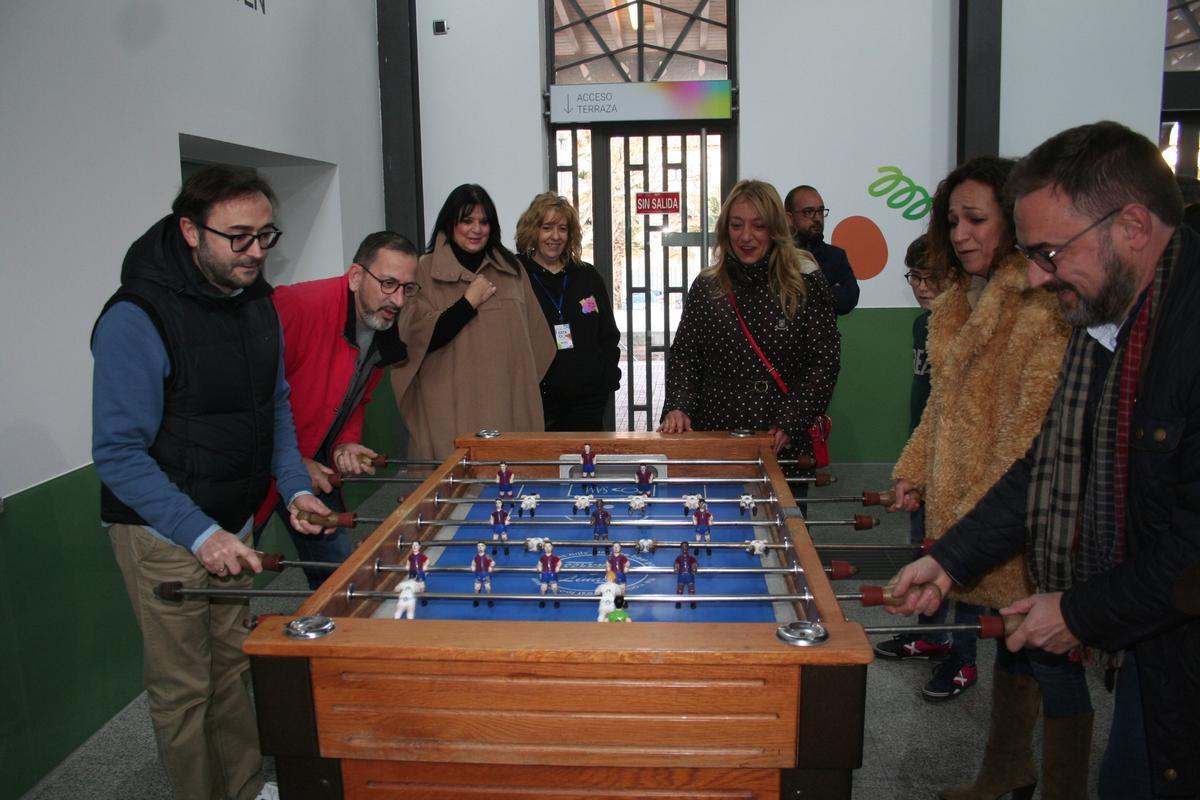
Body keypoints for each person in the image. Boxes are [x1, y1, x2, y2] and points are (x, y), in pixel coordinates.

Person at [889, 121, 1200, 800]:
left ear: (1134, 227)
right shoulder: (1104, 313)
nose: (1034, 275)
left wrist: (1081, 612)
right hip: (1159, 653)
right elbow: (1048, 465)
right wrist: (949, 559)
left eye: (1051, 252)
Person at [91, 164, 333, 800]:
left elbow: (274, 408)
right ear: (190, 231)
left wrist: (295, 488)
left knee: (231, 670)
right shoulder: (135, 317)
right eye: (239, 237)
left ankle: (248, 788)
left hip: (232, 522)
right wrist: (200, 534)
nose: (256, 251)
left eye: (265, 235)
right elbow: (118, 454)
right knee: (184, 690)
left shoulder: (255, 300)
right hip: (162, 534)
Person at [883, 156, 1086, 798]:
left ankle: (1059, 786)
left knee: (1049, 657)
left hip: (1018, 520)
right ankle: (1005, 773)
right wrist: (916, 469)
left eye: (977, 219)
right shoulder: (961, 303)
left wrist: (972, 525)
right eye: (953, 220)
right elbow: (944, 404)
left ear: (1016, 220)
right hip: (975, 513)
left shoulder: (1040, 306)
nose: (963, 234)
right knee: (1017, 651)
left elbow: (1028, 440)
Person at [253, 231, 418, 589]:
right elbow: (251, 399)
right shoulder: (297, 306)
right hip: (256, 465)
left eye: (407, 288)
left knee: (340, 577)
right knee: (232, 572)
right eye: (388, 283)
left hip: (312, 465)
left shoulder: (381, 324)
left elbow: (355, 398)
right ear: (356, 276)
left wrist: (345, 442)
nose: (398, 300)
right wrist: (294, 460)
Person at [659, 179, 840, 475]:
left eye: (758, 225)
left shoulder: (804, 283)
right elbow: (685, 356)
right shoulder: (707, 286)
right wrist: (678, 406)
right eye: (736, 225)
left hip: (780, 436)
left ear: (775, 229)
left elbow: (824, 361)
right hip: (715, 433)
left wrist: (790, 421)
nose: (746, 236)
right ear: (725, 229)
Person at [391, 184, 555, 460]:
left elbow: (537, 343)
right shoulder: (424, 271)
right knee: (454, 495)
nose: (476, 229)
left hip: (508, 407)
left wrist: (514, 383)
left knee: (511, 490)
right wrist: (467, 303)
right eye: (467, 221)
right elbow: (416, 339)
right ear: (450, 223)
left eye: (484, 221)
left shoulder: (512, 271)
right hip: (449, 411)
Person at [872, 235, 953, 657]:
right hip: (924, 454)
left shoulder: (965, 328)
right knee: (923, 545)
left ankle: (962, 656)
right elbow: (923, 398)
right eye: (915, 277)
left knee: (954, 556)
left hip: (956, 463)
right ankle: (930, 633)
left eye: (933, 278)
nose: (922, 287)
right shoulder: (921, 326)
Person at [515, 192, 621, 431]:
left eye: (562, 229)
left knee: (585, 466)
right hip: (538, 403)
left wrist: (605, 380)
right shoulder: (517, 275)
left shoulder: (587, 276)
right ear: (533, 230)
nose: (555, 236)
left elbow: (608, 335)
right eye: (547, 227)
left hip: (588, 403)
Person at [784, 184, 860, 315]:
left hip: (823, 335)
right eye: (808, 212)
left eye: (820, 211)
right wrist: (828, 289)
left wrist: (802, 291)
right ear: (789, 218)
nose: (817, 218)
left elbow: (848, 300)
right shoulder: (776, 255)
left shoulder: (836, 256)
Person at [674, 541, 699, 609]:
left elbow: (694, 563)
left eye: (686, 546)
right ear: (681, 548)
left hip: (689, 575)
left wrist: (694, 567)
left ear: (688, 548)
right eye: (683, 547)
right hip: (681, 575)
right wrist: (676, 566)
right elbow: (676, 564)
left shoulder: (691, 558)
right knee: (679, 590)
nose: (684, 548)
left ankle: (692, 602)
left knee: (691, 590)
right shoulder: (679, 558)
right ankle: (678, 602)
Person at [538, 542, 561, 608]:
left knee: (554, 588)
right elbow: (539, 564)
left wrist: (558, 567)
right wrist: (539, 567)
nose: (547, 548)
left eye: (549, 546)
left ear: (552, 548)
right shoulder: (542, 557)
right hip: (545, 574)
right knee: (543, 588)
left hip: (552, 574)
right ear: (544, 548)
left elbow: (559, 562)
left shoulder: (554, 557)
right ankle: (542, 600)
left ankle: (556, 600)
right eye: (546, 546)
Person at [472, 542, 494, 607]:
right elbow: (473, 562)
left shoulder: (487, 556)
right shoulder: (475, 556)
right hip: (478, 575)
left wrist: (491, 566)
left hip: (486, 575)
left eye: (482, 546)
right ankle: (476, 599)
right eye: (478, 546)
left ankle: (490, 599)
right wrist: (473, 566)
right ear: (477, 548)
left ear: (485, 547)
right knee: (476, 588)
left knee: (488, 588)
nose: (480, 547)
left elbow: (493, 562)